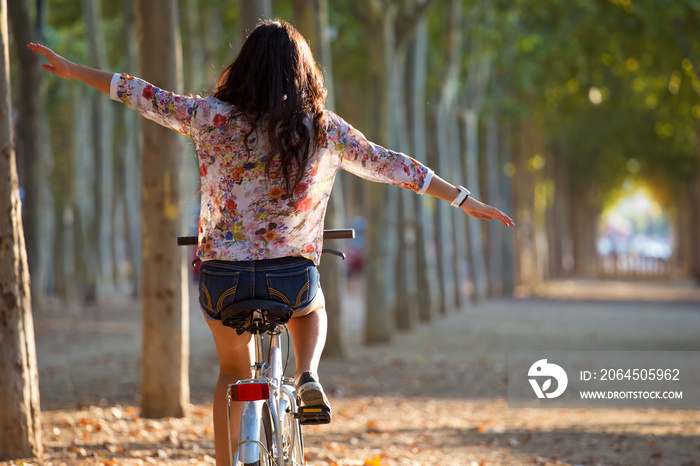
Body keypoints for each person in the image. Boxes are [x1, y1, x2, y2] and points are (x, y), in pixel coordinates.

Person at [29, 19, 513, 465]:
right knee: (313, 303)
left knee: (230, 372)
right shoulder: (322, 128)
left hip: (222, 280)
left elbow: (139, 92)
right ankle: (308, 374)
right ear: (303, 72)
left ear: (242, 67)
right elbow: (392, 164)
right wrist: (463, 198)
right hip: (291, 278)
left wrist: (73, 70)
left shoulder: (209, 117)